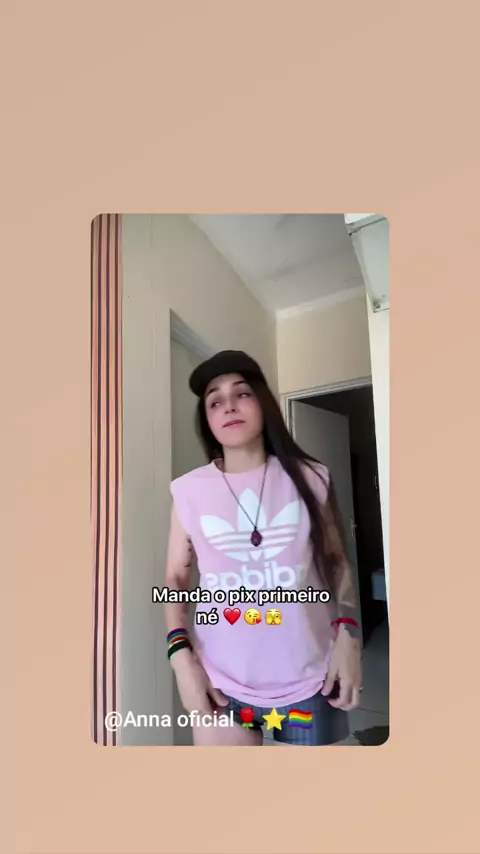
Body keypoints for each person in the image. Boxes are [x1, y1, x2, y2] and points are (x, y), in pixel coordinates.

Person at [164, 350, 362, 746]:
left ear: (263, 402)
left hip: (314, 679)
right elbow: (175, 578)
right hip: (222, 683)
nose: (229, 406)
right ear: (207, 420)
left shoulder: (311, 477)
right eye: (215, 401)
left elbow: (337, 561)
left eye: (242, 394)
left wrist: (350, 635)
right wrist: (180, 658)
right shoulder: (189, 491)